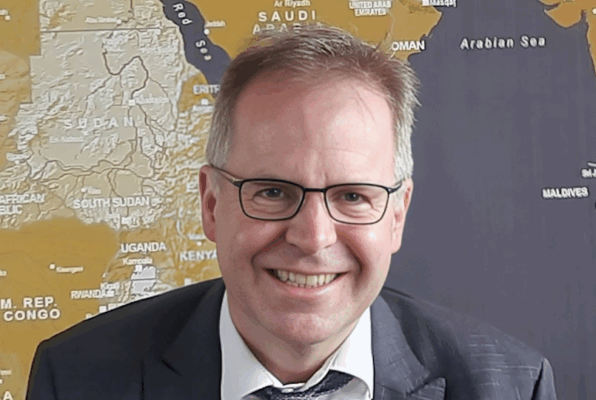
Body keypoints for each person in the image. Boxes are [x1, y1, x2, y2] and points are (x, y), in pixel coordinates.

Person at [26, 24, 557, 400]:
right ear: (211, 204)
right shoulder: (76, 380)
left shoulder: (511, 386)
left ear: (397, 215)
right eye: (273, 192)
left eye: (352, 196)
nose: (313, 236)